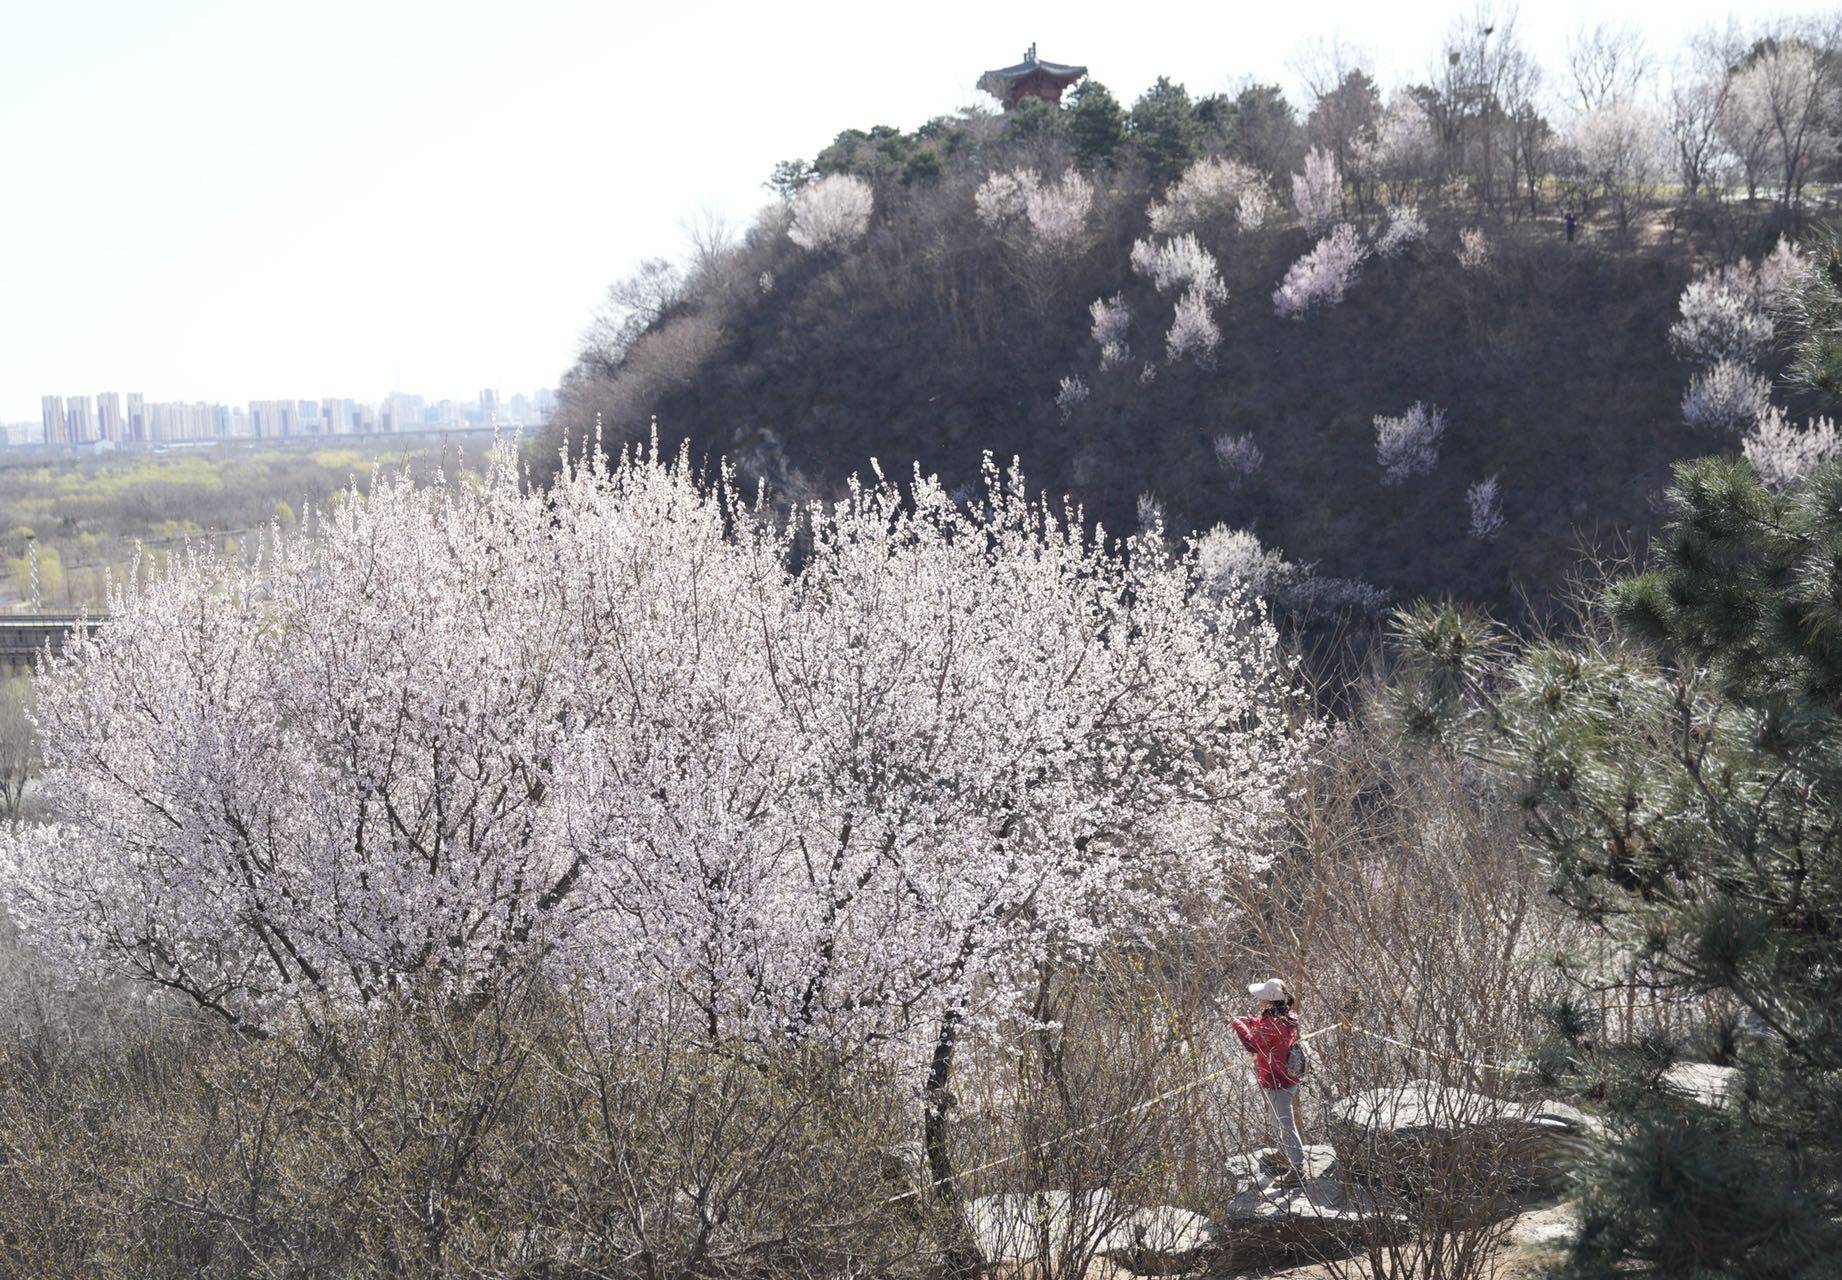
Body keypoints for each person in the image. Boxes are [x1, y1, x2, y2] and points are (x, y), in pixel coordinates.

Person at [1231, 977, 1307, 1186]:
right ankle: (1284, 1153)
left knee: (1285, 1124)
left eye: (1262, 997)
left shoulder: (1272, 1023)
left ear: (1269, 1001)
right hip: (1288, 1076)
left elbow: (1252, 1045)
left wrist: (1239, 1025)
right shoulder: (1287, 1016)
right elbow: (1270, 1029)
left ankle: (1298, 1169)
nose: (1259, 1000)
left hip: (1277, 1080)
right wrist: (1253, 1022)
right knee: (1278, 1119)